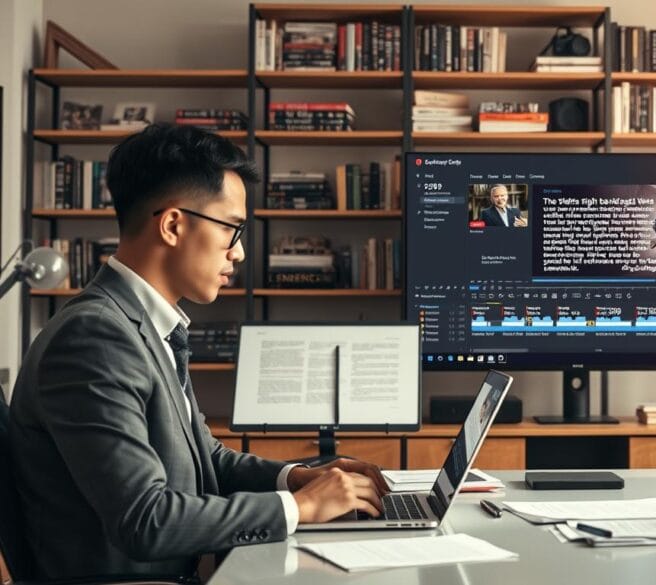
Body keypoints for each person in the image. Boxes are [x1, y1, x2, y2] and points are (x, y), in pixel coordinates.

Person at [8, 124, 388, 581]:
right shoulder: (94, 339)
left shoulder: (142, 325)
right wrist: (300, 507)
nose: (241, 252)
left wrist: (295, 479)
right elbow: (144, 519)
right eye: (232, 228)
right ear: (173, 225)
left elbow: (204, 459)